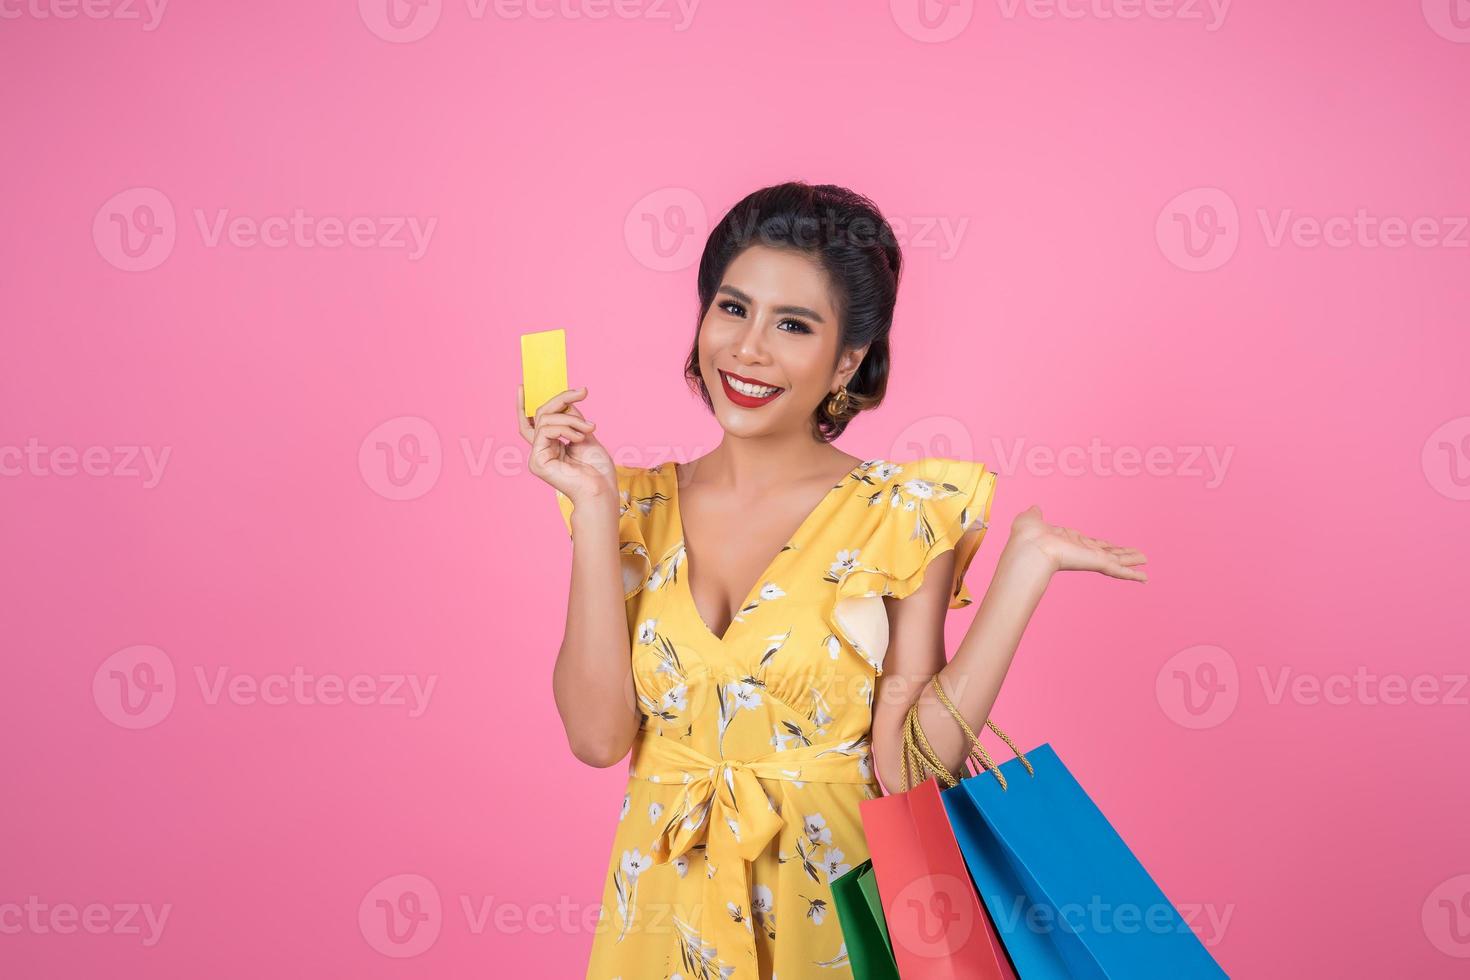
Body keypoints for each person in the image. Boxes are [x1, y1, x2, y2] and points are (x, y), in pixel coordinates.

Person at [517, 181, 1147, 979]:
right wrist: (595, 506)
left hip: (834, 926)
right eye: (732, 308)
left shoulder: (902, 515)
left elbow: (907, 771)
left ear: (847, 357)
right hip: (660, 928)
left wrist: (1021, 576)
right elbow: (597, 737)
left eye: (793, 325)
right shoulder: (631, 506)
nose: (748, 349)